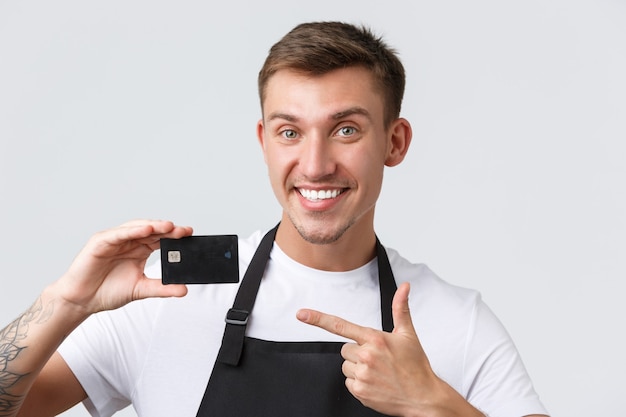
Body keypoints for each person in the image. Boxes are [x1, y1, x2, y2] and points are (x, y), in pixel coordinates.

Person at [0, 21, 549, 417]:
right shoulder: (176, 296)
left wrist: (435, 405)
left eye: (346, 129)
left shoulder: (456, 321)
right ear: (265, 141)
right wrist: (63, 305)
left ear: (395, 141)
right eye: (290, 131)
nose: (314, 165)